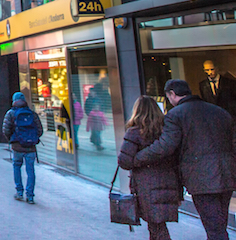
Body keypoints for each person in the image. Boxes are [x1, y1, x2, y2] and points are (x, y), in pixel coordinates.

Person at [134, 79, 236, 240]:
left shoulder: (176, 115)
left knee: (214, 228)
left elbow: (166, 146)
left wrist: (138, 157)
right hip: (228, 173)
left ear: (172, 94)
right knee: (219, 224)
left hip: (201, 178)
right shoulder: (220, 112)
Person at [118, 96, 182, 240]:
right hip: (169, 182)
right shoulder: (166, 131)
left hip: (147, 186)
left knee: (157, 227)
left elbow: (124, 162)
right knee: (156, 226)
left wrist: (137, 160)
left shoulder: (135, 132)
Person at [2, 91, 43, 204]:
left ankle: (19, 192)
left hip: (17, 146)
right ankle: (30, 195)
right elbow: (40, 130)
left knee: (17, 167)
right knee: (30, 170)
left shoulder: (11, 113)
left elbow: (5, 130)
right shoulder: (32, 113)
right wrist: (32, 138)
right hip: (31, 147)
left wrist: (12, 139)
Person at [85, 79, 111, 150]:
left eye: (92, 92)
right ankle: (98, 144)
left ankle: (94, 140)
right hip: (92, 117)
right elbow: (86, 107)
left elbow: (102, 107)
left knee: (96, 132)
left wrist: (101, 113)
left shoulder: (98, 99)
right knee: (96, 132)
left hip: (98, 119)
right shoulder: (88, 99)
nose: (91, 93)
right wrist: (88, 113)